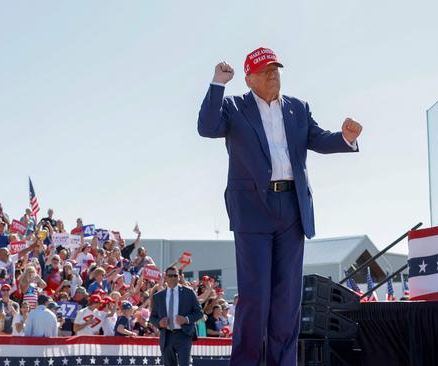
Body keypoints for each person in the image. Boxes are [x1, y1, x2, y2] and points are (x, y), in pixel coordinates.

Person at [197, 47, 362, 365]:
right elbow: (207, 127)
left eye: (276, 68)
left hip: (293, 206)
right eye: (265, 70)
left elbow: (319, 139)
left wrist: (345, 138)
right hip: (253, 209)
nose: (273, 74)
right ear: (249, 79)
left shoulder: (298, 108)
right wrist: (218, 84)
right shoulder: (234, 107)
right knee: (255, 296)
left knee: (288, 301)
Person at [150, 265, 203, 366]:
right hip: (167, 336)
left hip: (184, 335)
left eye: (175, 275)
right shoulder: (158, 296)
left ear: (179, 277)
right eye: (171, 276)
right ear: (165, 277)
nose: (173, 278)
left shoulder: (189, 292)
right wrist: (159, 323)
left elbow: (199, 313)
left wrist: (186, 319)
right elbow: (152, 318)